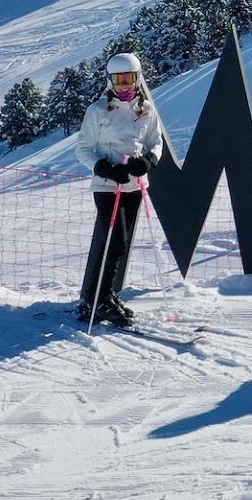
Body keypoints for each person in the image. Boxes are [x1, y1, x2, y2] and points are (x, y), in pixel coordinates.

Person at [75, 53, 163, 326]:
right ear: (110, 80)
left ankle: (101, 296)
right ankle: (98, 299)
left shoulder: (146, 109)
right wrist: (104, 168)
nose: (123, 84)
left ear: (137, 78)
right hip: (107, 185)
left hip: (134, 186)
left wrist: (147, 161)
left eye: (128, 79)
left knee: (120, 243)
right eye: (118, 79)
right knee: (114, 240)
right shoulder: (98, 110)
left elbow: (155, 142)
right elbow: (83, 149)